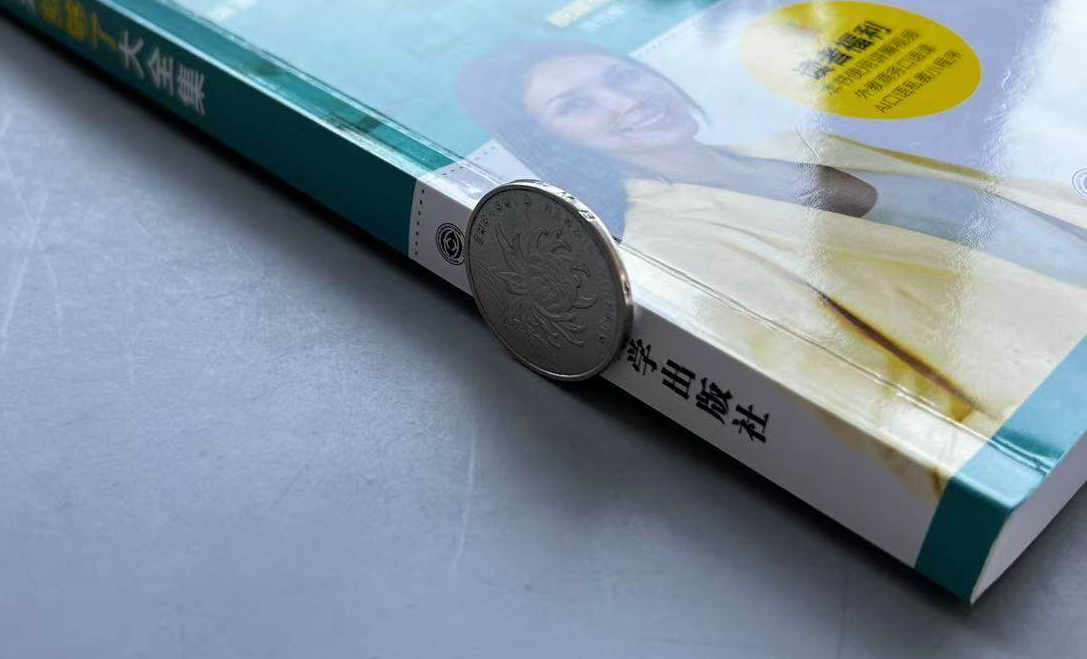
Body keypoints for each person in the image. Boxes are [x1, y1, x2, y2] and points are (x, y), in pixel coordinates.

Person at [457, 40, 1087, 490]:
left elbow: (999, 200)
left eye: (621, 77)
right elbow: (868, 402)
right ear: (552, 142)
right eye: (576, 106)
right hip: (1050, 399)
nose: (625, 102)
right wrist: (1012, 463)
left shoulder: (794, 142)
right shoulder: (677, 245)